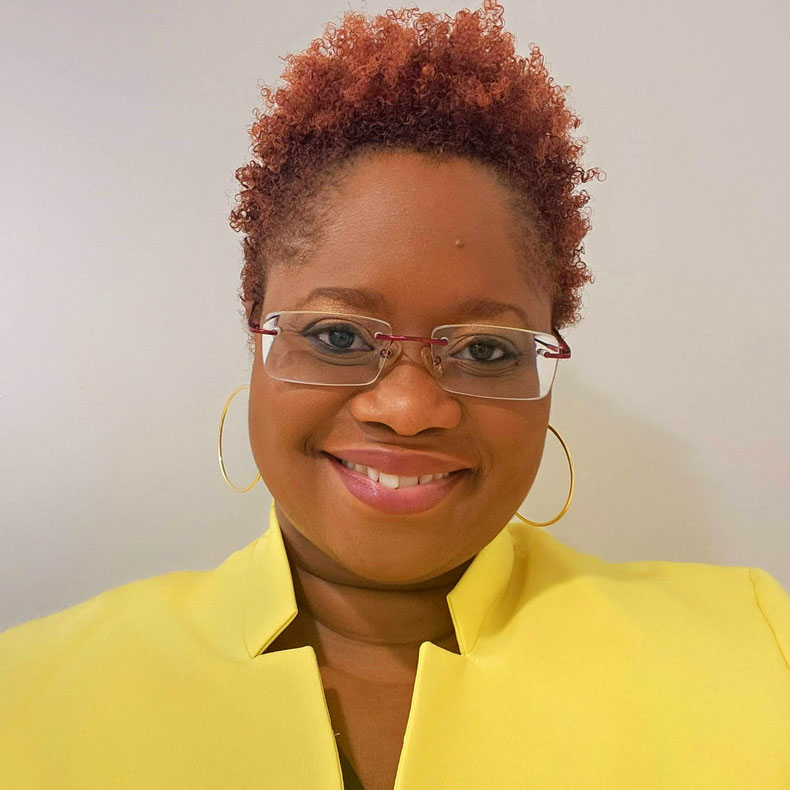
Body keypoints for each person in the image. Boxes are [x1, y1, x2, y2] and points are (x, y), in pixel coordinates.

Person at [1, 2, 788, 788]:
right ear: (257, 343)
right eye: (340, 337)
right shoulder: (28, 698)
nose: (408, 409)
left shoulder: (757, 651)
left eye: (484, 349)